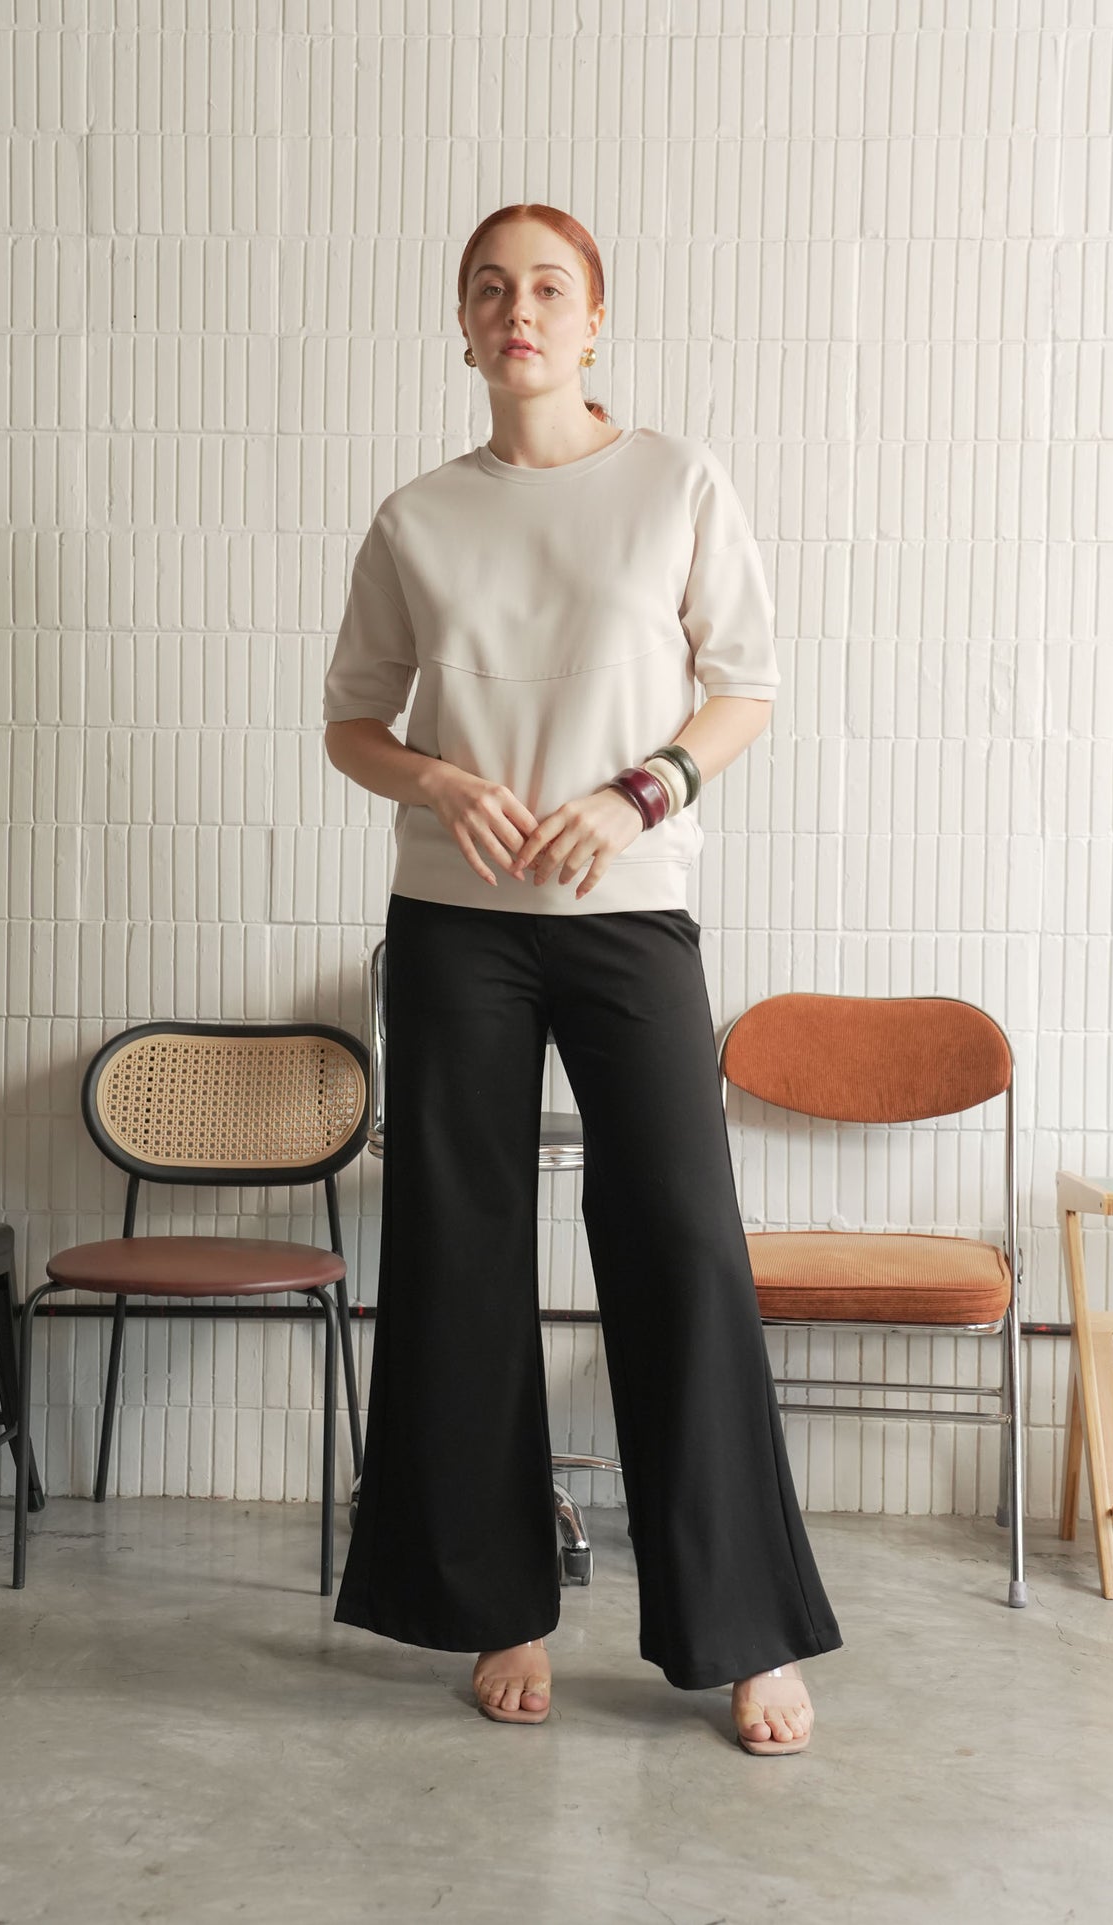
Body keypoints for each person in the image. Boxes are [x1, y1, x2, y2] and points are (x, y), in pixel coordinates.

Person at [322, 203, 842, 1756]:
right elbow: (352, 722)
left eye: (548, 286)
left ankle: (740, 1628)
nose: (519, 310)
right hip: (454, 920)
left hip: (629, 911)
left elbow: (744, 684)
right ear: (462, 325)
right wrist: (435, 779)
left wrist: (639, 790)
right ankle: (502, 1605)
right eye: (490, 289)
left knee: (679, 1237)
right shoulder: (418, 518)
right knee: (458, 1248)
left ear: (593, 318)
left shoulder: (674, 483)